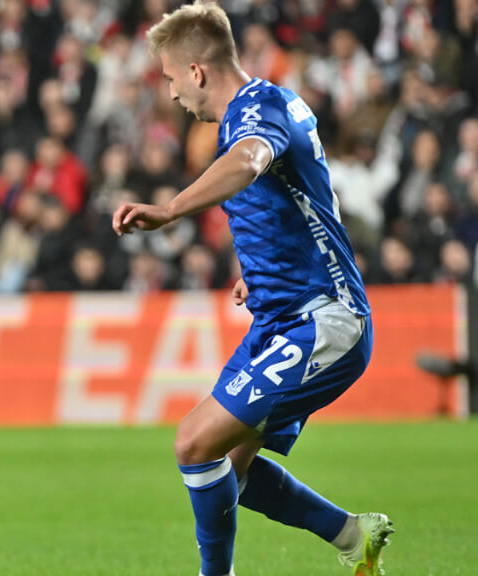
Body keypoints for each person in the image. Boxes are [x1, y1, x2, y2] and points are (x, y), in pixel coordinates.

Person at [112, 4, 394, 576]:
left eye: (169, 78)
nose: (169, 94)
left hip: (322, 322)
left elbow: (250, 160)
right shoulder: (274, 105)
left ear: (195, 72)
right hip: (281, 315)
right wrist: (260, 270)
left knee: (194, 444)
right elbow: (306, 202)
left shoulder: (255, 114)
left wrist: (169, 209)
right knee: (227, 473)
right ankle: (350, 535)